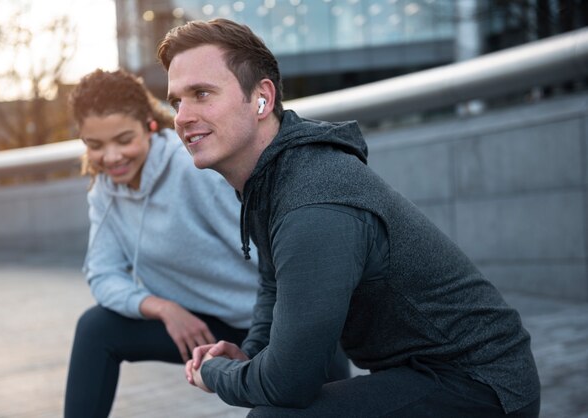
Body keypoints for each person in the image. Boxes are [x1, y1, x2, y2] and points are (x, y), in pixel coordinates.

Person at [157, 18, 541, 417]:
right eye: (176, 102)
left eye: (202, 94)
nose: (183, 117)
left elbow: (287, 384)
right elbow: (273, 286)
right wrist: (248, 353)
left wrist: (216, 372)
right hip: (426, 375)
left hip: (482, 386)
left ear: (262, 99)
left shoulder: (313, 199)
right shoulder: (271, 179)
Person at [63, 68, 260, 418]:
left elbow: (266, 254)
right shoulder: (104, 192)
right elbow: (102, 274)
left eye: (124, 140)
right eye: (95, 145)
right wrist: (164, 308)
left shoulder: (192, 170)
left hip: (272, 321)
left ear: (149, 125)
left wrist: (280, 335)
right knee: (96, 329)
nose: (111, 157)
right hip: (202, 327)